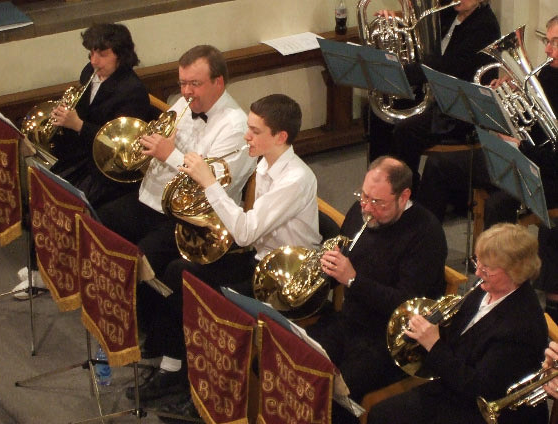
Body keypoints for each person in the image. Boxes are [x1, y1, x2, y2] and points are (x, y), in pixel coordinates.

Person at [124, 94, 322, 417]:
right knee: (178, 272)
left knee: (212, 301)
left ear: (281, 137)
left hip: (284, 278)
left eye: (255, 131)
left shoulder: (295, 179)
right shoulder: (265, 163)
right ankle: (175, 368)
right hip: (260, 259)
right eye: (248, 128)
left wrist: (209, 182)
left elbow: (245, 232)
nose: (247, 136)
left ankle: (210, 396)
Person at [418, 15, 558, 320]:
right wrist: (502, 100)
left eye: (555, 42)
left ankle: (497, 287)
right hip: (517, 156)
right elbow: (527, 121)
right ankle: (424, 253)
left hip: (548, 174)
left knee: (498, 204)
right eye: (547, 41)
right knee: (439, 166)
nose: (547, 50)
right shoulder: (546, 75)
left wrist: (520, 146)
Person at [12, 23, 152, 298]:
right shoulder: (90, 72)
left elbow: (119, 148)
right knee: (43, 189)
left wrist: (77, 124)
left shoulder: (132, 91)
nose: (94, 61)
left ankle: (52, 274)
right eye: (91, 53)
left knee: (63, 202)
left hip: (110, 171)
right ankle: (42, 268)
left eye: (102, 54)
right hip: (83, 156)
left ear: (121, 54)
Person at [96, 44, 256, 281]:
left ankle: (139, 302)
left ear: (218, 82)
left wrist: (169, 154)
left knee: (140, 260)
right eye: (182, 83)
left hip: (189, 221)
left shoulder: (235, 127)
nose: (186, 91)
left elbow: (213, 184)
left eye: (195, 83)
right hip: (150, 199)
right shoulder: (184, 103)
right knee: (100, 222)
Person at [306, 156, 447, 423]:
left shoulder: (426, 234)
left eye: (378, 202)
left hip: (390, 340)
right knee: (299, 360)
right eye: (364, 196)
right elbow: (344, 261)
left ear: (403, 197)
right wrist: (327, 270)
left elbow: (406, 305)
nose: (367, 208)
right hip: (350, 321)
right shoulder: (360, 212)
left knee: (338, 394)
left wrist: (353, 280)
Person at [367, 223, 548, 424]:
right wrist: (431, 324)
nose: (477, 273)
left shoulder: (520, 327)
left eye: (487, 268)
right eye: (477, 262)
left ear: (516, 271)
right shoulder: (486, 288)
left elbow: (479, 387)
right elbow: (462, 336)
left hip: (485, 410)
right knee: (381, 413)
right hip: (454, 385)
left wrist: (433, 344)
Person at [368, 0, 500, 193]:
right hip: (433, 94)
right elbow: (420, 42)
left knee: (406, 130)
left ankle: (405, 192)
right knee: (380, 111)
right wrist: (394, 22)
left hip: (459, 109)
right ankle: (376, 183)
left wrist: (401, 72)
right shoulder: (449, 12)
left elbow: (446, 67)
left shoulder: (485, 26)